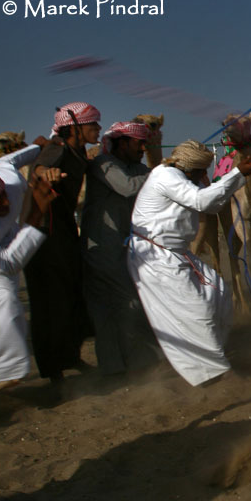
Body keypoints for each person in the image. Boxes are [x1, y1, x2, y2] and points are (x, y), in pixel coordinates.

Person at [127, 140, 251, 386]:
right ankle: (206, 372)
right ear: (191, 168)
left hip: (174, 253)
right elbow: (201, 202)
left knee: (217, 292)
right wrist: (238, 174)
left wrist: (236, 178)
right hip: (155, 257)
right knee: (195, 309)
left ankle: (214, 355)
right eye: (201, 171)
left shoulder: (182, 179)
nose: (204, 175)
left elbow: (211, 203)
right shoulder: (166, 176)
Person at [25, 102, 101, 382]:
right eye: (93, 124)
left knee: (73, 295)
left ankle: (70, 357)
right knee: (49, 302)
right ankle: (51, 372)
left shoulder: (75, 150)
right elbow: (40, 168)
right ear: (76, 127)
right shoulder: (57, 148)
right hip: (45, 234)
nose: (98, 129)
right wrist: (45, 173)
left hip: (63, 231)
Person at [81, 121, 161, 376]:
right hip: (101, 249)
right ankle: (127, 365)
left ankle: (120, 366)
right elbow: (127, 186)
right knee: (123, 305)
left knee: (119, 307)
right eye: (139, 143)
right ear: (123, 142)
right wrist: (161, 172)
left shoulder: (136, 167)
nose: (143, 148)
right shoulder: (102, 165)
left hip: (122, 248)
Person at [0, 148, 64, 392]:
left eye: (2, 194)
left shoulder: (9, 182)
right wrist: (39, 211)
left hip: (2, 249)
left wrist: (40, 148)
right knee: (3, 299)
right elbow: (7, 264)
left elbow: (9, 159)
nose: (5, 203)